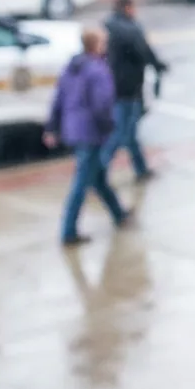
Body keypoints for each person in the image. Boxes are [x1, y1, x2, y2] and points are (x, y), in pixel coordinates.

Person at [47, 28, 130, 245]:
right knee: (82, 182)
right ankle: (69, 231)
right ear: (97, 45)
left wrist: (52, 127)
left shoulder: (72, 67)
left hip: (74, 129)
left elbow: (59, 99)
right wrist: (109, 128)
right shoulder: (98, 70)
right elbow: (102, 104)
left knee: (98, 176)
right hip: (90, 132)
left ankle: (119, 213)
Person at [101, 0, 168, 181]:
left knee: (129, 133)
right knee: (122, 133)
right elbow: (143, 51)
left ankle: (140, 169)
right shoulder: (129, 29)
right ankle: (99, 172)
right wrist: (157, 65)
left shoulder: (112, 27)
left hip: (118, 86)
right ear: (127, 7)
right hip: (129, 88)